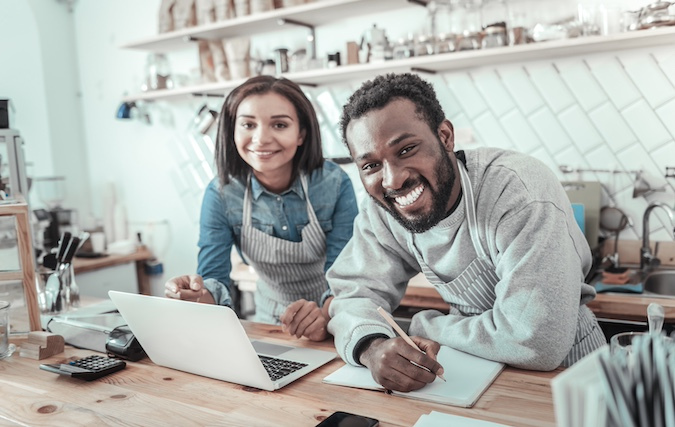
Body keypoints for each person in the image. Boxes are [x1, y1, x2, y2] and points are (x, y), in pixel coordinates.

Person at [327, 73, 606, 392]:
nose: (392, 180)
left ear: (445, 136)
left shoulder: (519, 192)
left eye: (406, 150)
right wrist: (371, 346)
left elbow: (534, 341)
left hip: (567, 375)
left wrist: (426, 325)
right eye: (371, 166)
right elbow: (354, 293)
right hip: (466, 371)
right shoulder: (383, 209)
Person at [165, 76, 358, 341]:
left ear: (301, 133)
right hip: (268, 325)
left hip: (336, 317)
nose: (261, 138)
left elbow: (344, 272)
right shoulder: (221, 194)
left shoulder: (333, 184)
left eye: (279, 124)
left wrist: (324, 316)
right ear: (233, 130)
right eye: (248, 124)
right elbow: (215, 280)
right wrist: (196, 294)